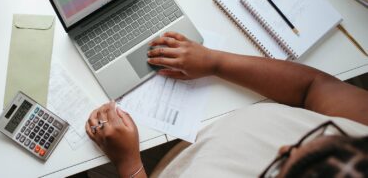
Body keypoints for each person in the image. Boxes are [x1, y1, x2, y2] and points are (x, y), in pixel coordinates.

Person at [85, 32, 368, 178]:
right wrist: (215, 62)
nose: (284, 146)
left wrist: (129, 164)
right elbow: (315, 87)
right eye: (322, 134)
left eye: (278, 167)